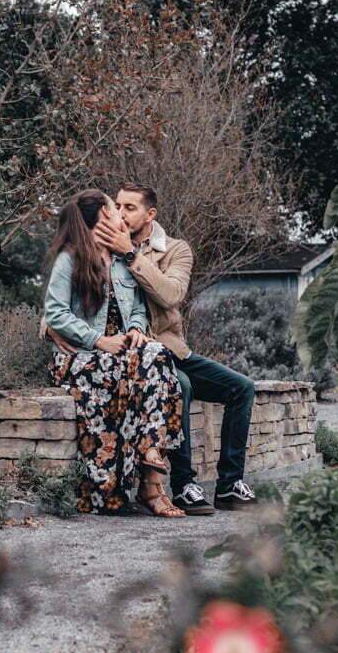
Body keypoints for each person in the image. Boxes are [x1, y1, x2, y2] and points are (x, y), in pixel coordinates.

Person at [49, 184, 257, 513]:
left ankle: (230, 484)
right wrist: (50, 327)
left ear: (150, 214)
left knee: (241, 387)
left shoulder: (172, 250)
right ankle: (183, 483)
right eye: (117, 206)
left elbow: (171, 294)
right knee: (181, 385)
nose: (121, 212)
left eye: (129, 207)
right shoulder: (95, 251)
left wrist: (131, 253)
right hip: (128, 355)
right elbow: (61, 304)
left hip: (166, 348)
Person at [43, 188, 186, 518]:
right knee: (116, 370)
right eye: (113, 209)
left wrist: (136, 329)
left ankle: (152, 448)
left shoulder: (123, 261)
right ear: (102, 218)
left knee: (156, 353)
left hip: (119, 353)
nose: (120, 215)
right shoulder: (71, 258)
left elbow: (137, 306)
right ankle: (107, 490)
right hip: (78, 357)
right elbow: (55, 312)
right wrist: (98, 340)